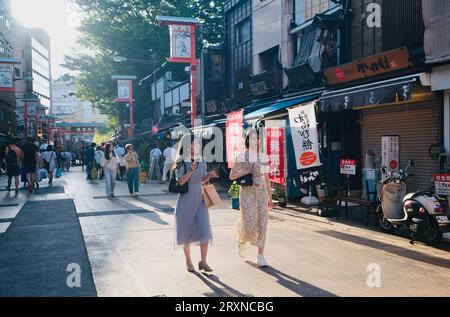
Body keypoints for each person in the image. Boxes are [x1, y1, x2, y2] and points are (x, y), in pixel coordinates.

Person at [173, 134, 218, 273]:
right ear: (188, 145)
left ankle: (203, 261)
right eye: (195, 143)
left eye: (199, 143)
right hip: (185, 201)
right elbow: (180, 182)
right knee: (186, 232)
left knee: (205, 230)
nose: (198, 146)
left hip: (200, 200)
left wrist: (209, 176)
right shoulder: (181, 161)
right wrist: (191, 170)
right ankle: (188, 261)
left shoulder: (202, 160)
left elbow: (202, 180)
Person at [230, 129, 273, 268]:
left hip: (260, 192)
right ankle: (241, 239)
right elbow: (232, 176)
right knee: (248, 221)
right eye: (253, 138)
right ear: (248, 140)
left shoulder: (263, 156)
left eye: (257, 138)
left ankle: (260, 255)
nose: (256, 140)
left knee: (262, 222)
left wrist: (270, 197)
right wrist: (248, 170)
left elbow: (266, 178)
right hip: (247, 192)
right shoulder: (242, 156)